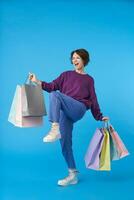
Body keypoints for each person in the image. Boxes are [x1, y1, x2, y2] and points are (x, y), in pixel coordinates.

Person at [29, 48, 109, 187]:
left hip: (78, 108)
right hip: (65, 111)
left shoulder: (89, 80)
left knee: (55, 94)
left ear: (84, 60)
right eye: (73, 58)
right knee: (65, 143)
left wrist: (99, 116)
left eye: (77, 58)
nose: (74, 60)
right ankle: (72, 174)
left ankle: (54, 128)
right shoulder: (66, 75)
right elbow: (52, 86)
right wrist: (37, 81)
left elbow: (93, 99)